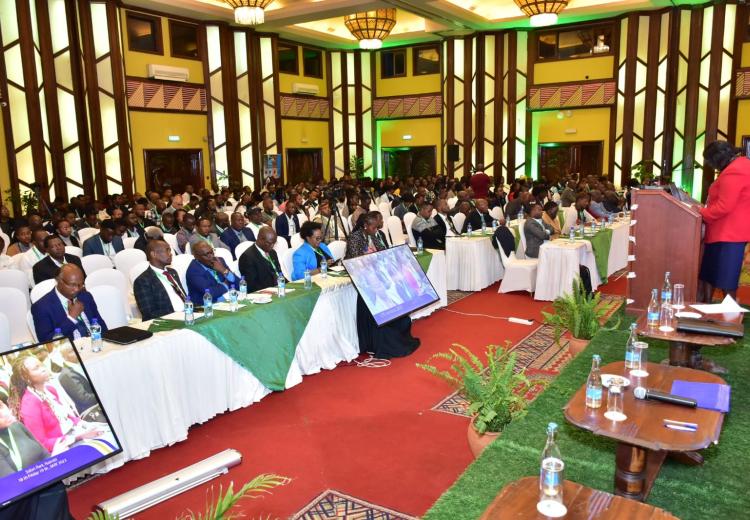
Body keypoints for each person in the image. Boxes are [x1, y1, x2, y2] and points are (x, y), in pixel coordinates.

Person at [345, 212, 420, 359]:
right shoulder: (355, 238)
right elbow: (355, 259)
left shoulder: (372, 234)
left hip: (377, 273)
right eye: (373, 227)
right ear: (365, 226)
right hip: (365, 278)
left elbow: (382, 251)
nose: (376, 230)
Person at [8, 355, 100, 453]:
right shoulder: (29, 404)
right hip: (62, 447)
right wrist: (77, 437)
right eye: (36, 368)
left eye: (41, 364)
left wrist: (83, 424)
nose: (43, 369)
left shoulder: (49, 390)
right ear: (26, 377)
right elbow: (41, 443)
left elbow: (66, 417)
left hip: (75, 434)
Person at [696, 141, 750, 301]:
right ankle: (706, 309)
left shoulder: (735, 171)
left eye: (711, 162)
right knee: (709, 274)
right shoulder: (741, 165)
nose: (712, 167)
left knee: (726, 279)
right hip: (724, 231)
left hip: (728, 233)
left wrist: (701, 211)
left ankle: (729, 319)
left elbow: (724, 206)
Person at [31, 264, 108, 342]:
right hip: (70, 350)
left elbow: (100, 324)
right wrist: (71, 318)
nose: (77, 289)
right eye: (73, 285)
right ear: (58, 280)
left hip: (96, 343)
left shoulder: (85, 296)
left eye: (80, 284)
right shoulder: (41, 307)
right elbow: (47, 342)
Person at [133, 240, 187, 320]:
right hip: (169, 321)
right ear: (154, 254)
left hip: (187, 314)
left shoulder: (172, 272)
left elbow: (183, 296)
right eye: (167, 250)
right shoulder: (143, 280)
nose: (171, 254)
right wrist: (177, 315)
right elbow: (149, 313)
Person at [0, 394, 49, 477]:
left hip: (51, 477)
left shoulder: (17, 426)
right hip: (34, 488)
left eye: (1, 406)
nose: (3, 413)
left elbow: (45, 454)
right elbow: (14, 482)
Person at [238, 227, 284, 292]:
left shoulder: (272, 252)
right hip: (264, 293)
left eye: (274, 243)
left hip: (279, 288)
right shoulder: (247, 257)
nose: (272, 246)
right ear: (260, 239)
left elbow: (279, 272)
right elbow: (251, 285)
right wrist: (272, 290)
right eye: (269, 243)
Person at [57, 343, 97, 414]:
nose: (76, 351)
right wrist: (101, 395)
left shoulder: (78, 365)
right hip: (91, 410)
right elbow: (84, 399)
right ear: (65, 357)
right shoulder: (66, 375)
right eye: (71, 351)